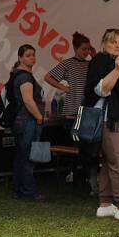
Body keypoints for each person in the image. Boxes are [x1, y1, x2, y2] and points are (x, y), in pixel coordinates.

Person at [83, 29, 119, 224]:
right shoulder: (102, 61)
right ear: (103, 43)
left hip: (114, 120)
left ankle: (105, 204)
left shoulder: (109, 62)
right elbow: (101, 89)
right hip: (110, 120)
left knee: (109, 162)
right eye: (112, 41)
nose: (117, 45)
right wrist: (117, 70)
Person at [44, 32, 95, 189]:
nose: (86, 52)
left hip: (87, 110)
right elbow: (48, 77)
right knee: (75, 145)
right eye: (83, 49)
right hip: (72, 111)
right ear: (75, 48)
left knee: (87, 146)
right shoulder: (67, 64)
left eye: (88, 49)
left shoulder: (91, 64)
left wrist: (94, 55)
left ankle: (86, 176)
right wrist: (63, 87)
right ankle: (74, 174)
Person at [10, 44, 45, 201]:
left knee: (21, 156)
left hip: (20, 120)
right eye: (28, 55)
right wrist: (39, 117)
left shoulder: (16, 74)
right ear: (20, 58)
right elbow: (28, 100)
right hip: (27, 120)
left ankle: (19, 189)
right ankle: (28, 192)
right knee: (28, 157)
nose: (32, 58)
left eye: (33, 55)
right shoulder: (25, 77)